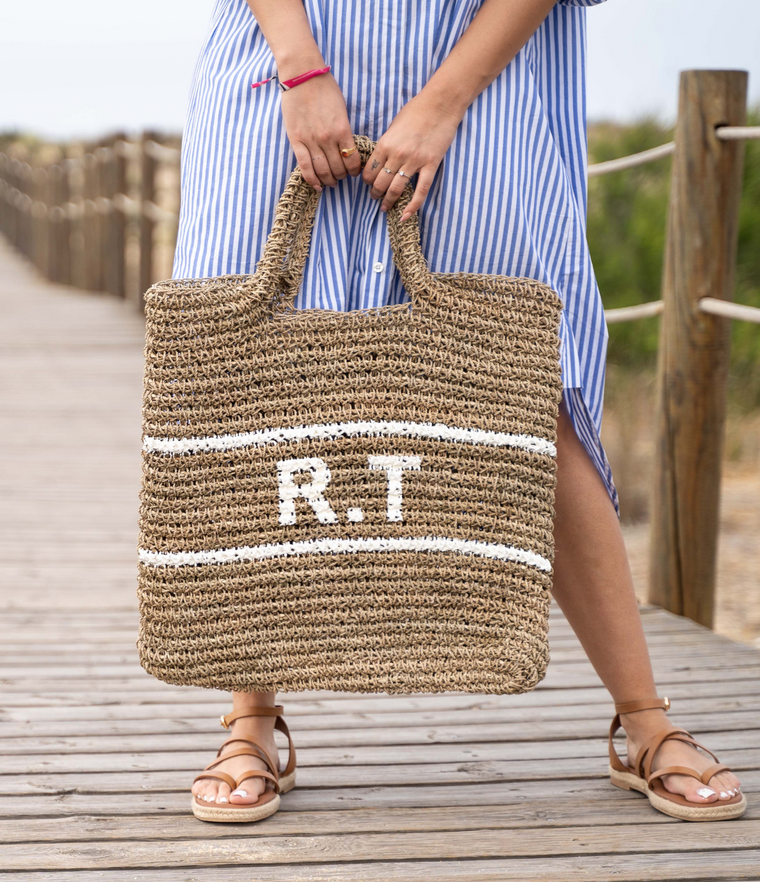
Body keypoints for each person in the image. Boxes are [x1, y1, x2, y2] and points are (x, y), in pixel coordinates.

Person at [173, 0, 744, 822]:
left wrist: (441, 103)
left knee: (518, 393)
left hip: (482, 98)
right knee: (265, 396)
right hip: (279, 83)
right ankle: (251, 720)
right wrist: (298, 65)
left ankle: (645, 720)